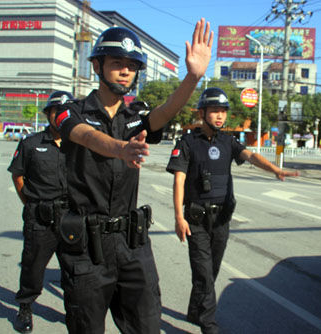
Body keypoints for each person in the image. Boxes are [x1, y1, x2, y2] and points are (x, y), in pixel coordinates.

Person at [54, 19, 212, 333]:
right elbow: (84, 136)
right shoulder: (70, 110)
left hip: (132, 245)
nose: (126, 71)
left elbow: (166, 111)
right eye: (117, 63)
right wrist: (119, 148)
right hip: (86, 246)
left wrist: (193, 77)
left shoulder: (135, 116)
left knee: (147, 326)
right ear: (97, 66)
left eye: (132, 65)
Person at [166, 87, 300, 334]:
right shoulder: (187, 143)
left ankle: (196, 311)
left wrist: (275, 170)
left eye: (223, 112)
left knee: (211, 271)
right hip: (196, 219)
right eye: (215, 111)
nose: (220, 116)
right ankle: (209, 326)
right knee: (204, 274)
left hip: (221, 220)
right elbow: (179, 180)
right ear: (202, 112)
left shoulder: (228, 141)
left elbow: (252, 157)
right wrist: (177, 217)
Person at [8, 91, 74, 333]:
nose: (62, 116)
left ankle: (74, 310)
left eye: (67, 111)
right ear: (48, 114)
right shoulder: (31, 143)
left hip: (72, 219)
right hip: (40, 219)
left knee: (74, 269)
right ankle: (25, 306)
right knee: (33, 266)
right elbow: (18, 176)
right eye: (57, 111)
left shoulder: (79, 145)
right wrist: (32, 205)